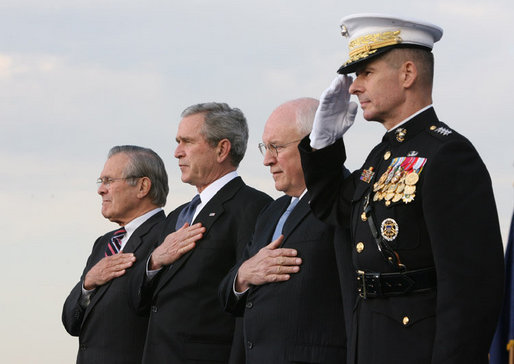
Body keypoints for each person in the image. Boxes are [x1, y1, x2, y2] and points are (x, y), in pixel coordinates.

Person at [298, 14, 504, 364]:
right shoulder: (382, 156)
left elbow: (471, 291)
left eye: (367, 73)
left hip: (418, 348)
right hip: (372, 342)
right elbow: (332, 208)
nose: (353, 87)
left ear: (408, 74)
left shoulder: (448, 155)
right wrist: (322, 144)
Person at [131, 102, 272, 364]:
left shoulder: (252, 207)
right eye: (177, 142)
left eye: (186, 142)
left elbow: (249, 306)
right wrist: (154, 262)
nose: (176, 152)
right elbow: (138, 301)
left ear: (221, 149)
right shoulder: (176, 216)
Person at [219, 98, 347, 363]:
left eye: (276, 147)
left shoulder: (343, 198)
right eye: (265, 148)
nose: (267, 160)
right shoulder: (270, 212)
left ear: (314, 143)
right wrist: (244, 274)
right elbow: (228, 296)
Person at [62, 145, 169, 364]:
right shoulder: (103, 243)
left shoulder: (168, 235)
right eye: (101, 182)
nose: (101, 190)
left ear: (142, 186)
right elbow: (70, 322)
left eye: (109, 181)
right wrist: (88, 284)